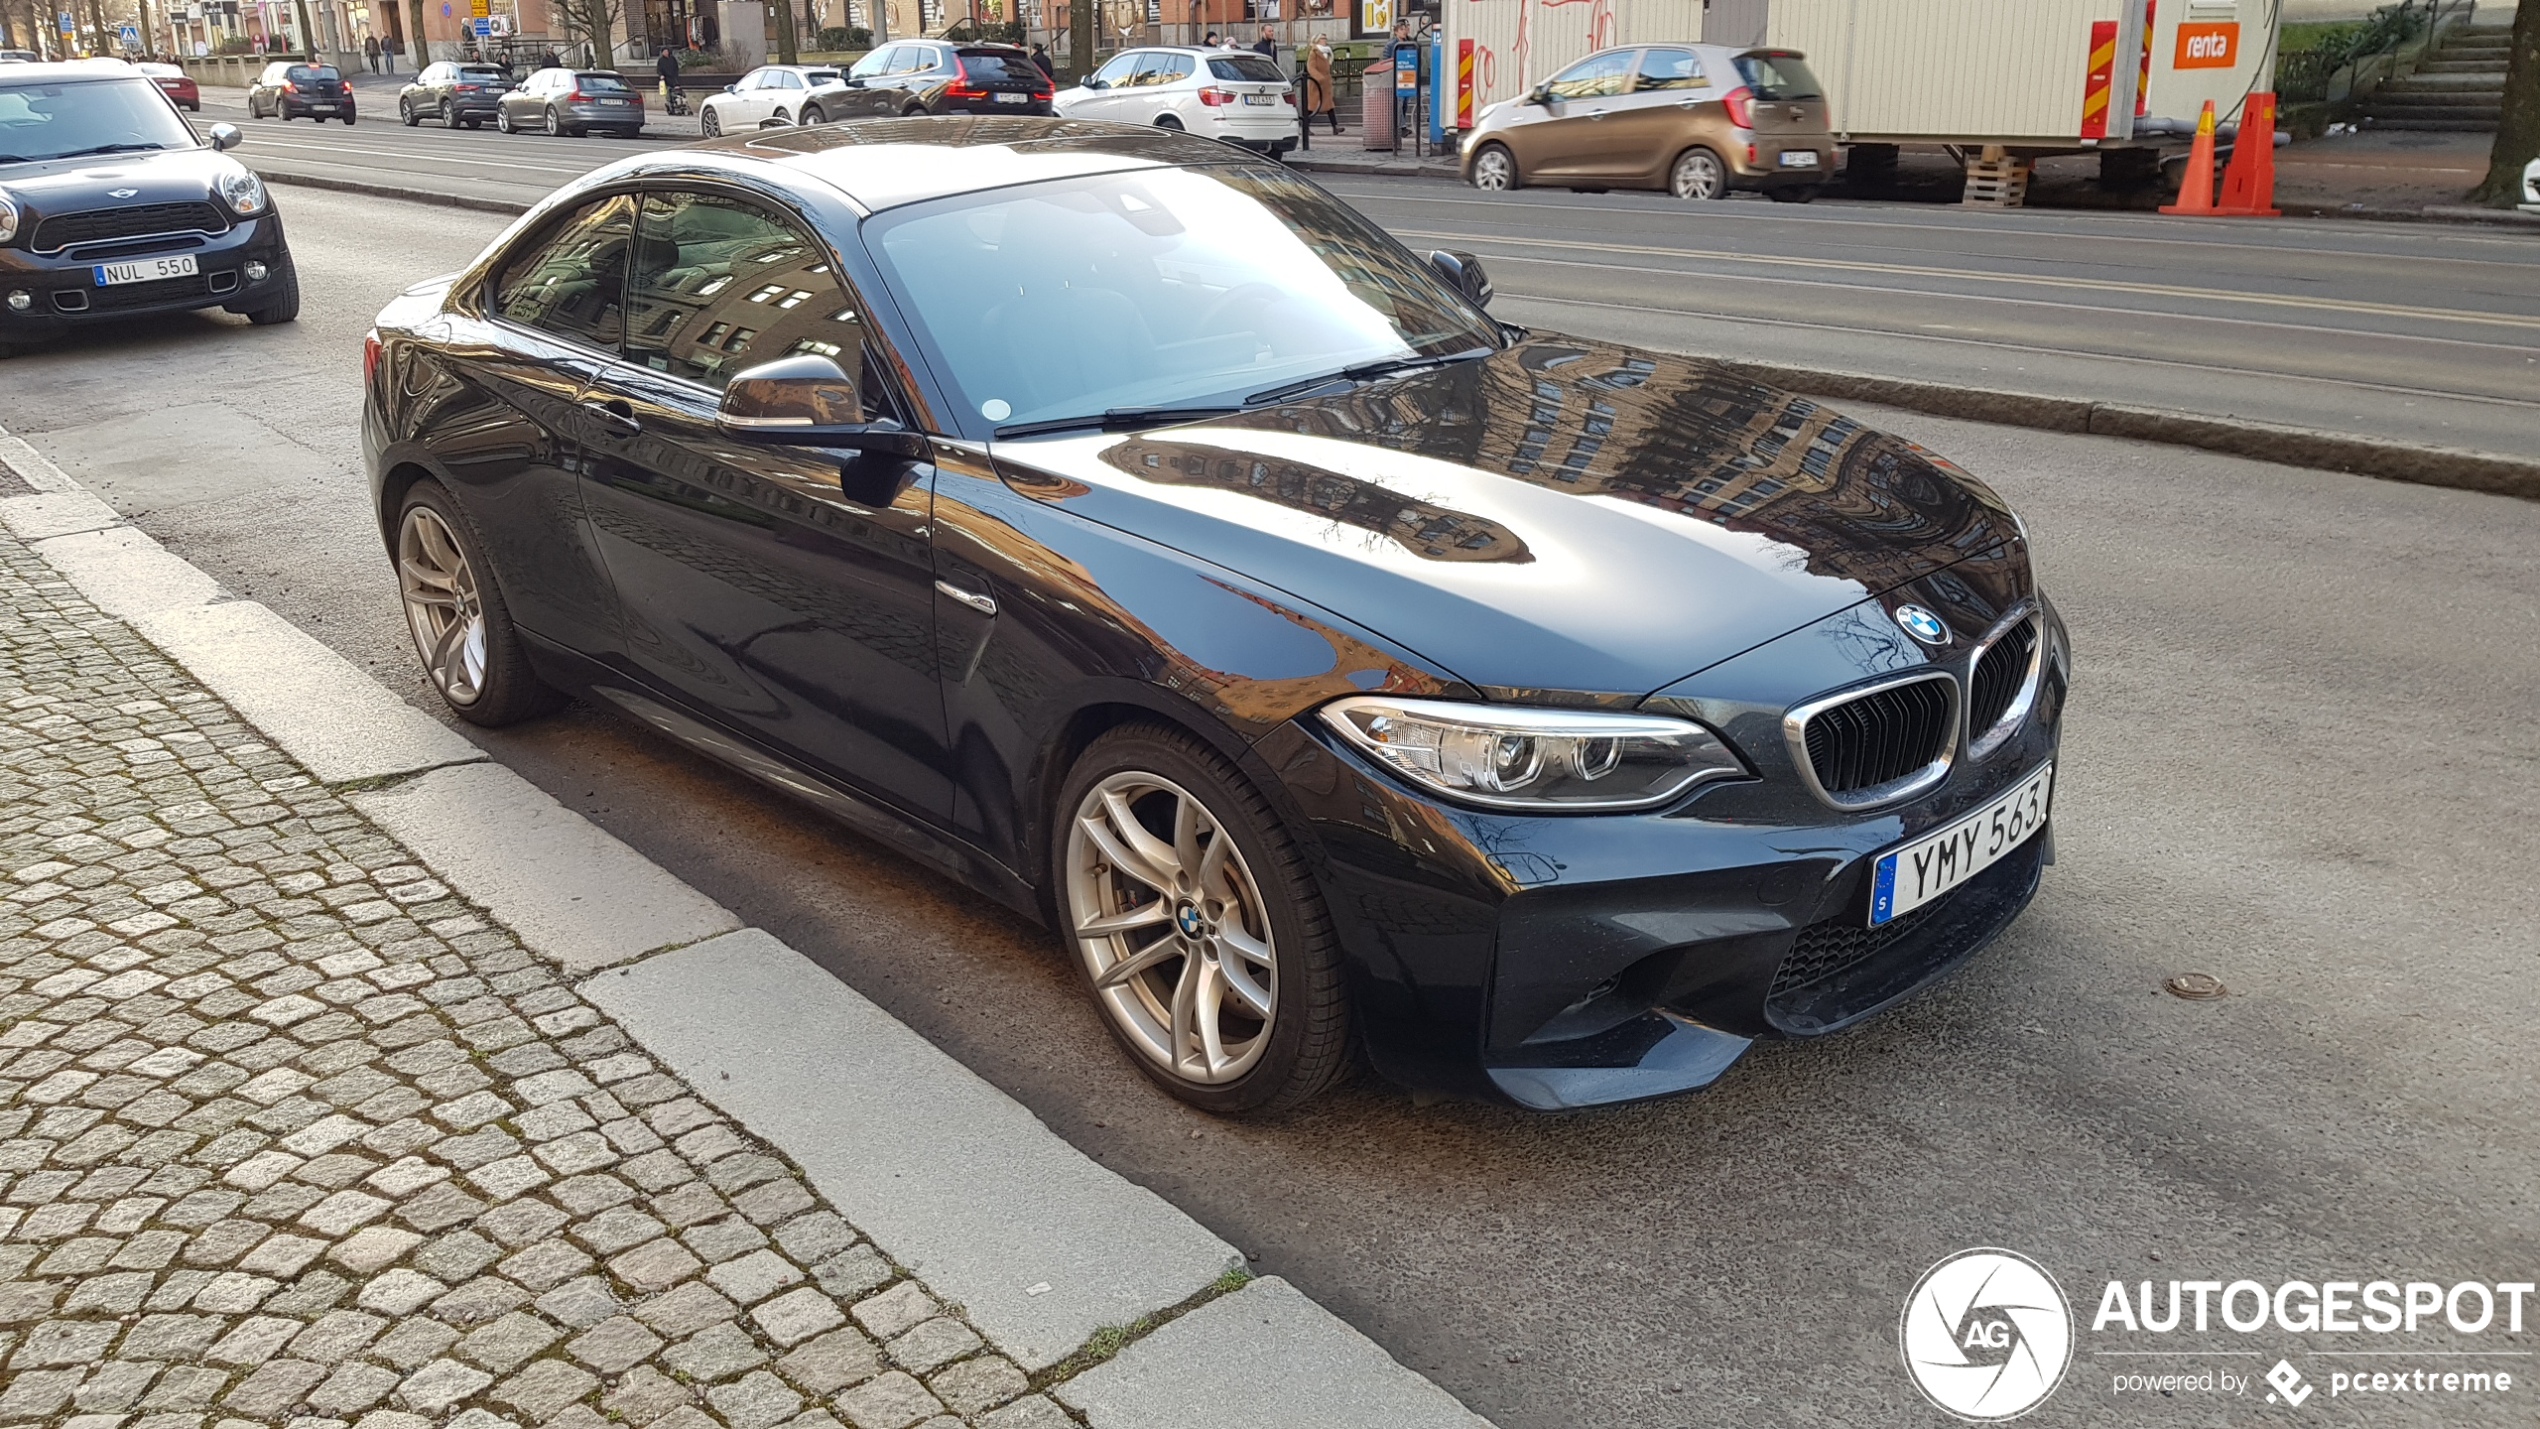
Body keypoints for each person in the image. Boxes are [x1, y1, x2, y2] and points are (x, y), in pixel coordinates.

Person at [1303, 33, 1338, 134]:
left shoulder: (1326, 51)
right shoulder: (1314, 52)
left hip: (1325, 84)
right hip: (1317, 83)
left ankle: (1335, 127)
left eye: (1325, 38)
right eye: (1323, 38)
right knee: (1312, 106)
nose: (1325, 40)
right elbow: (1311, 67)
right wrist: (1319, 77)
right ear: (1318, 40)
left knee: (1330, 106)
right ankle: (1306, 127)